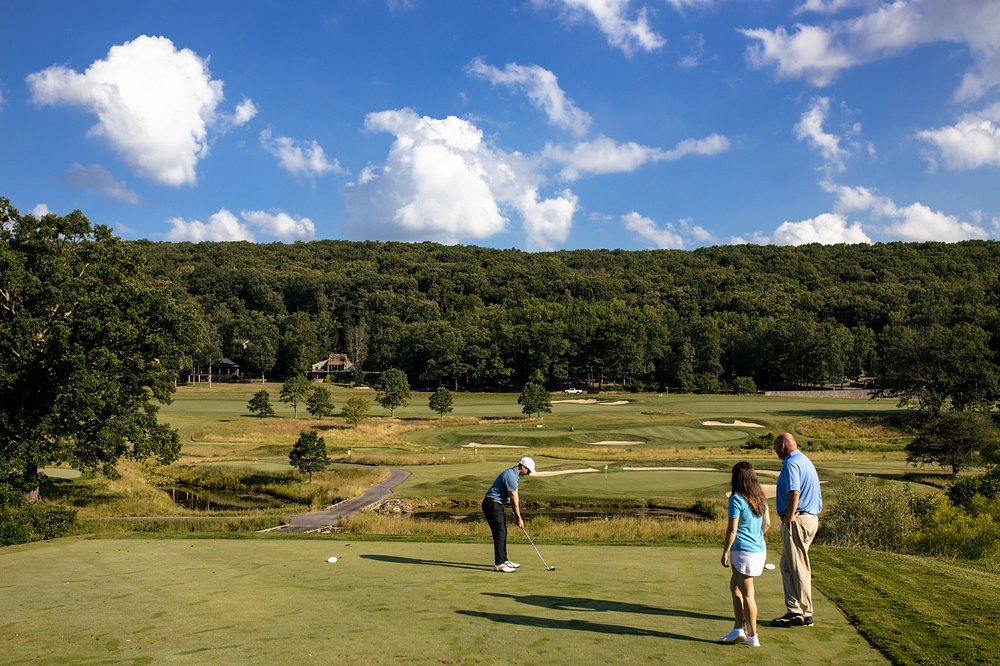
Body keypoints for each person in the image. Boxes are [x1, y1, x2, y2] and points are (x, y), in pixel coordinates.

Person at [771, 432, 822, 628]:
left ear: (783, 446)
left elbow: (794, 491)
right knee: (787, 565)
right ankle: (794, 610)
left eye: (776, 447)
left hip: (798, 519)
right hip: (808, 519)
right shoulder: (805, 460)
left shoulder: (791, 463)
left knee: (798, 566)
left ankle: (805, 613)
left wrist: (790, 516)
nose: (775, 451)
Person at [719, 461, 771, 648]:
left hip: (742, 551)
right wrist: (755, 537)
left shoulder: (737, 499)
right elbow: (767, 525)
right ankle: (738, 628)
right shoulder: (760, 498)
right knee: (735, 586)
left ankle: (753, 635)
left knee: (748, 593)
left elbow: (732, 530)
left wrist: (725, 552)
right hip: (758, 550)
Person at [482, 457, 536, 572]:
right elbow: (514, 499)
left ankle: (504, 560)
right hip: (492, 504)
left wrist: (516, 515)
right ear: (523, 467)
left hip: (496, 504)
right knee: (500, 533)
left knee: (503, 532)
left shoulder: (513, 474)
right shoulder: (511, 476)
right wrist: (519, 518)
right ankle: (499, 564)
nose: (529, 474)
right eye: (529, 471)